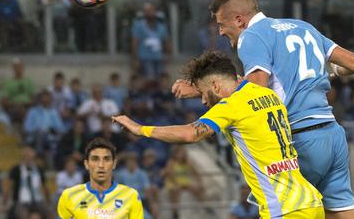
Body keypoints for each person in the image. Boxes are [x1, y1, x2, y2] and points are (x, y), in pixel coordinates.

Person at [172, 0, 354, 218]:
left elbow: (257, 92)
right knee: (342, 212)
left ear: (240, 20)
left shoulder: (251, 37)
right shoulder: (303, 26)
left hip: (298, 137)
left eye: (222, 24)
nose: (220, 32)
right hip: (333, 135)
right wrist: (326, 74)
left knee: (279, 207)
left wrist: (202, 88)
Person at [114, 51, 324, 218]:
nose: (204, 101)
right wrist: (199, 87)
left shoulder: (229, 107)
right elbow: (235, 81)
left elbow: (190, 134)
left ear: (215, 85)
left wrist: (141, 129)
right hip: (310, 201)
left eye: (204, 95)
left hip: (284, 207)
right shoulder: (266, 93)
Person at [57, 137, 144, 218]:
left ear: (114, 164)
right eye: (95, 159)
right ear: (86, 164)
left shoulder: (131, 195)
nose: (101, 165)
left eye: (106, 159)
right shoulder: (69, 196)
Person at [3, 147, 50, 219]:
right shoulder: (16, 169)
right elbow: (9, 187)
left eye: (32, 158)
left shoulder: (39, 169)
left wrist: (48, 202)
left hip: (37, 200)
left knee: (50, 213)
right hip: (21, 201)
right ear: (23, 158)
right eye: (27, 157)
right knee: (24, 215)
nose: (29, 160)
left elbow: (45, 187)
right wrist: (4, 203)